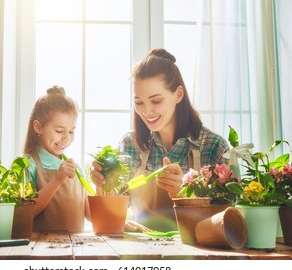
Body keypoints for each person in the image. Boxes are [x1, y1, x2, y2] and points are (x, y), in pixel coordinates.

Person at [91, 48, 230, 231]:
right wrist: (101, 183)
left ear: (178, 94)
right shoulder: (130, 145)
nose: (146, 112)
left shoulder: (213, 147)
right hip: (142, 255)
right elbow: (110, 216)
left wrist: (184, 195)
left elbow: (228, 223)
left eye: (156, 101)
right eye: (139, 102)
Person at [24, 86, 90, 232]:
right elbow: (26, 212)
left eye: (71, 131)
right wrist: (58, 179)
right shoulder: (28, 164)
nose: (66, 138)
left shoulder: (77, 170)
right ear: (38, 127)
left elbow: (90, 214)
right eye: (59, 131)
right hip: (40, 251)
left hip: (76, 251)